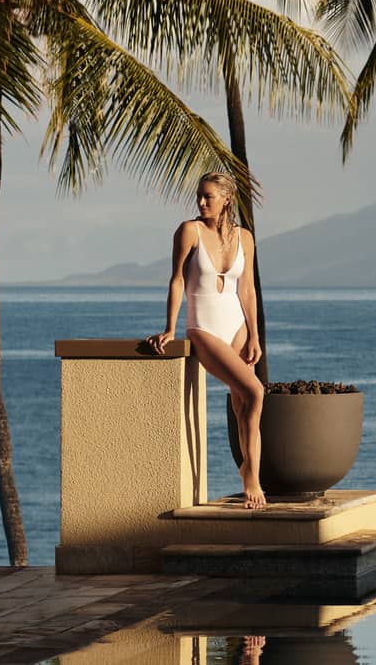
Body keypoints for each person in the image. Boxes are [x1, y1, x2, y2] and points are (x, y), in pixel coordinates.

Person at [147, 171, 266, 509]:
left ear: (226, 199)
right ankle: (250, 474)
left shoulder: (245, 238)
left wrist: (254, 334)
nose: (200, 202)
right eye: (199, 196)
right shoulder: (189, 231)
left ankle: (249, 468)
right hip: (204, 327)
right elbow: (177, 281)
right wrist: (169, 328)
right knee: (255, 392)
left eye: (207, 197)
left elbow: (247, 289)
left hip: (237, 326)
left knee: (244, 402)